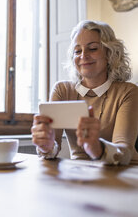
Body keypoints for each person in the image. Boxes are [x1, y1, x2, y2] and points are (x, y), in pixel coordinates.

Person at [31, 20, 138, 165]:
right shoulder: (62, 91)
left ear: (110, 53)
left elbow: (125, 153)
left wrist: (97, 148)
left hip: (122, 174)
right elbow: (53, 148)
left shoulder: (128, 92)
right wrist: (46, 146)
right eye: (77, 51)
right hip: (80, 174)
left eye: (92, 48)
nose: (83, 56)